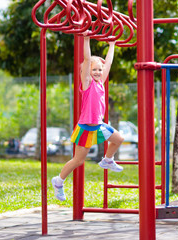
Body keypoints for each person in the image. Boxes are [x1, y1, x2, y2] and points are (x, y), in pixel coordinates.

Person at [51, 35, 124, 201]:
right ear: (87, 72)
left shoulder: (101, 82)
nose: (98, 72)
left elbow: (109, 63)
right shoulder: (87, 83)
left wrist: (112, 44)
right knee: (78, 160)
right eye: (94, 70)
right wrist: (86, 40)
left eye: (99, 69)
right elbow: (86, 58)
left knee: (119, 138)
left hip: (98, 126)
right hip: (85, 128)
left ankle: (107, 160)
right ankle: (59, 181)